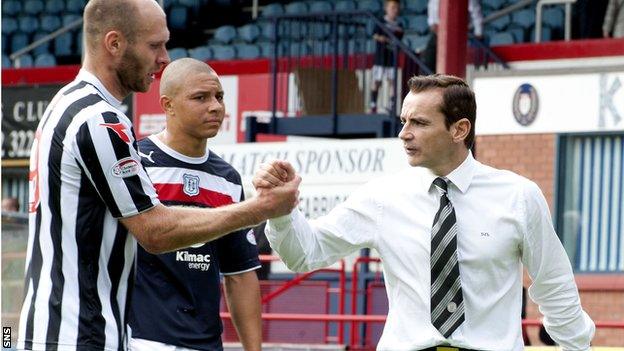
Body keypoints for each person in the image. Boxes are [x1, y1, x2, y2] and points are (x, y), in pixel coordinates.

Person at [16, 0, 299, 349]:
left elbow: (238, 274)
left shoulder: (65, 105)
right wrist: (261, 208)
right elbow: (155, 231)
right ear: (114, 43)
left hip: (60, 329)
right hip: (81, 335)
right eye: (154, 45)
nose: (164, 58)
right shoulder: (100, 119)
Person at [254, 74, 595, 350]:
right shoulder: (382, 197)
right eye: (404, 121)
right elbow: (305, 253)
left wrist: (577, 348)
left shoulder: (519, 196)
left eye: (418, 122)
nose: (403, 134)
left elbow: (553, 285)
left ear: (459, 130)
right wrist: (282, 211)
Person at [129, 58, 262, 351]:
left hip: (205, 344)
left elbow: (240, 275)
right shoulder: (134, 162)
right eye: (200, 98)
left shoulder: (227, 179)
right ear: (168, 105)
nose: (215, 106)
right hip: (138, 340)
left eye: (219, 97)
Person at [422, 0, 483, 73]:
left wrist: (478, 32)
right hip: (439, 33)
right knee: (429, 59)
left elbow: (476, 13)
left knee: (452, 61)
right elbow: (432, 8)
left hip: (458, 33)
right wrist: (432, 24)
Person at [370, 0, 404, 114]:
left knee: (392, 82)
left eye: (396, 8)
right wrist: (383, 39)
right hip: (380, 57)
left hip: (391, 58)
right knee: (376, 81)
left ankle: (391, 106)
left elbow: (400, 37)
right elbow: (374, 35)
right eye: (392, 7)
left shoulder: (399, 24)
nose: (394, 10)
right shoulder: (381, 21)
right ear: (386, 8)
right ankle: (373, 104)